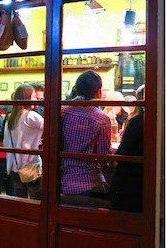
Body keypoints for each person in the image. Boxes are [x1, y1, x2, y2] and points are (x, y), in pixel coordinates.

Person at [60, 71, 112, 205]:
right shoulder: (102, 118)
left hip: (62, 182)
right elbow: (103, 156)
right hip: (90, 184)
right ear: (98, 91)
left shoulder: (62, 111)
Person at [3, 84, 44, 200]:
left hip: (14, 167)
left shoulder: (11, 117)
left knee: (21, 202)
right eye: (33, 97)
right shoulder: (30, 116)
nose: (36, 99)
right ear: (27, 99)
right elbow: (52, 128)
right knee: (38, 201)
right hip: (30, 167)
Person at [109, 85, 144, 212]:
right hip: (143, 182)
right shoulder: (145, 121)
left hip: (128, 183)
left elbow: (121, 154)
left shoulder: (136, 122)